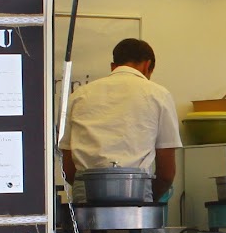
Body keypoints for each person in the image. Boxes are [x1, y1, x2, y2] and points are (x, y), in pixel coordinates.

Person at [61, 38, 180, 199]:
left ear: (113, 66)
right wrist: (148, 201)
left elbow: (68, 168)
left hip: (87, 200)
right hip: (136, 198)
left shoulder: (79, 96)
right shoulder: (159, 95)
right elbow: (166, 173)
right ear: (147, 65)